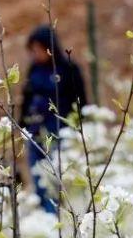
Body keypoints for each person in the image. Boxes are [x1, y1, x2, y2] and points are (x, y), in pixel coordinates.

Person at [18, 24, 87, 213]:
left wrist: (78, 128)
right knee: (38, 175)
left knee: (55, 175)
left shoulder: (68, 70)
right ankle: (45, 213)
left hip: (59, 131)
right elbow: (27, 98)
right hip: (36, 132)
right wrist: (22, 123)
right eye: (32, 50)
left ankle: (59, 213)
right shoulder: (34, 70)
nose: (35, 54)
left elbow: (80, 102)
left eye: (38, 49)